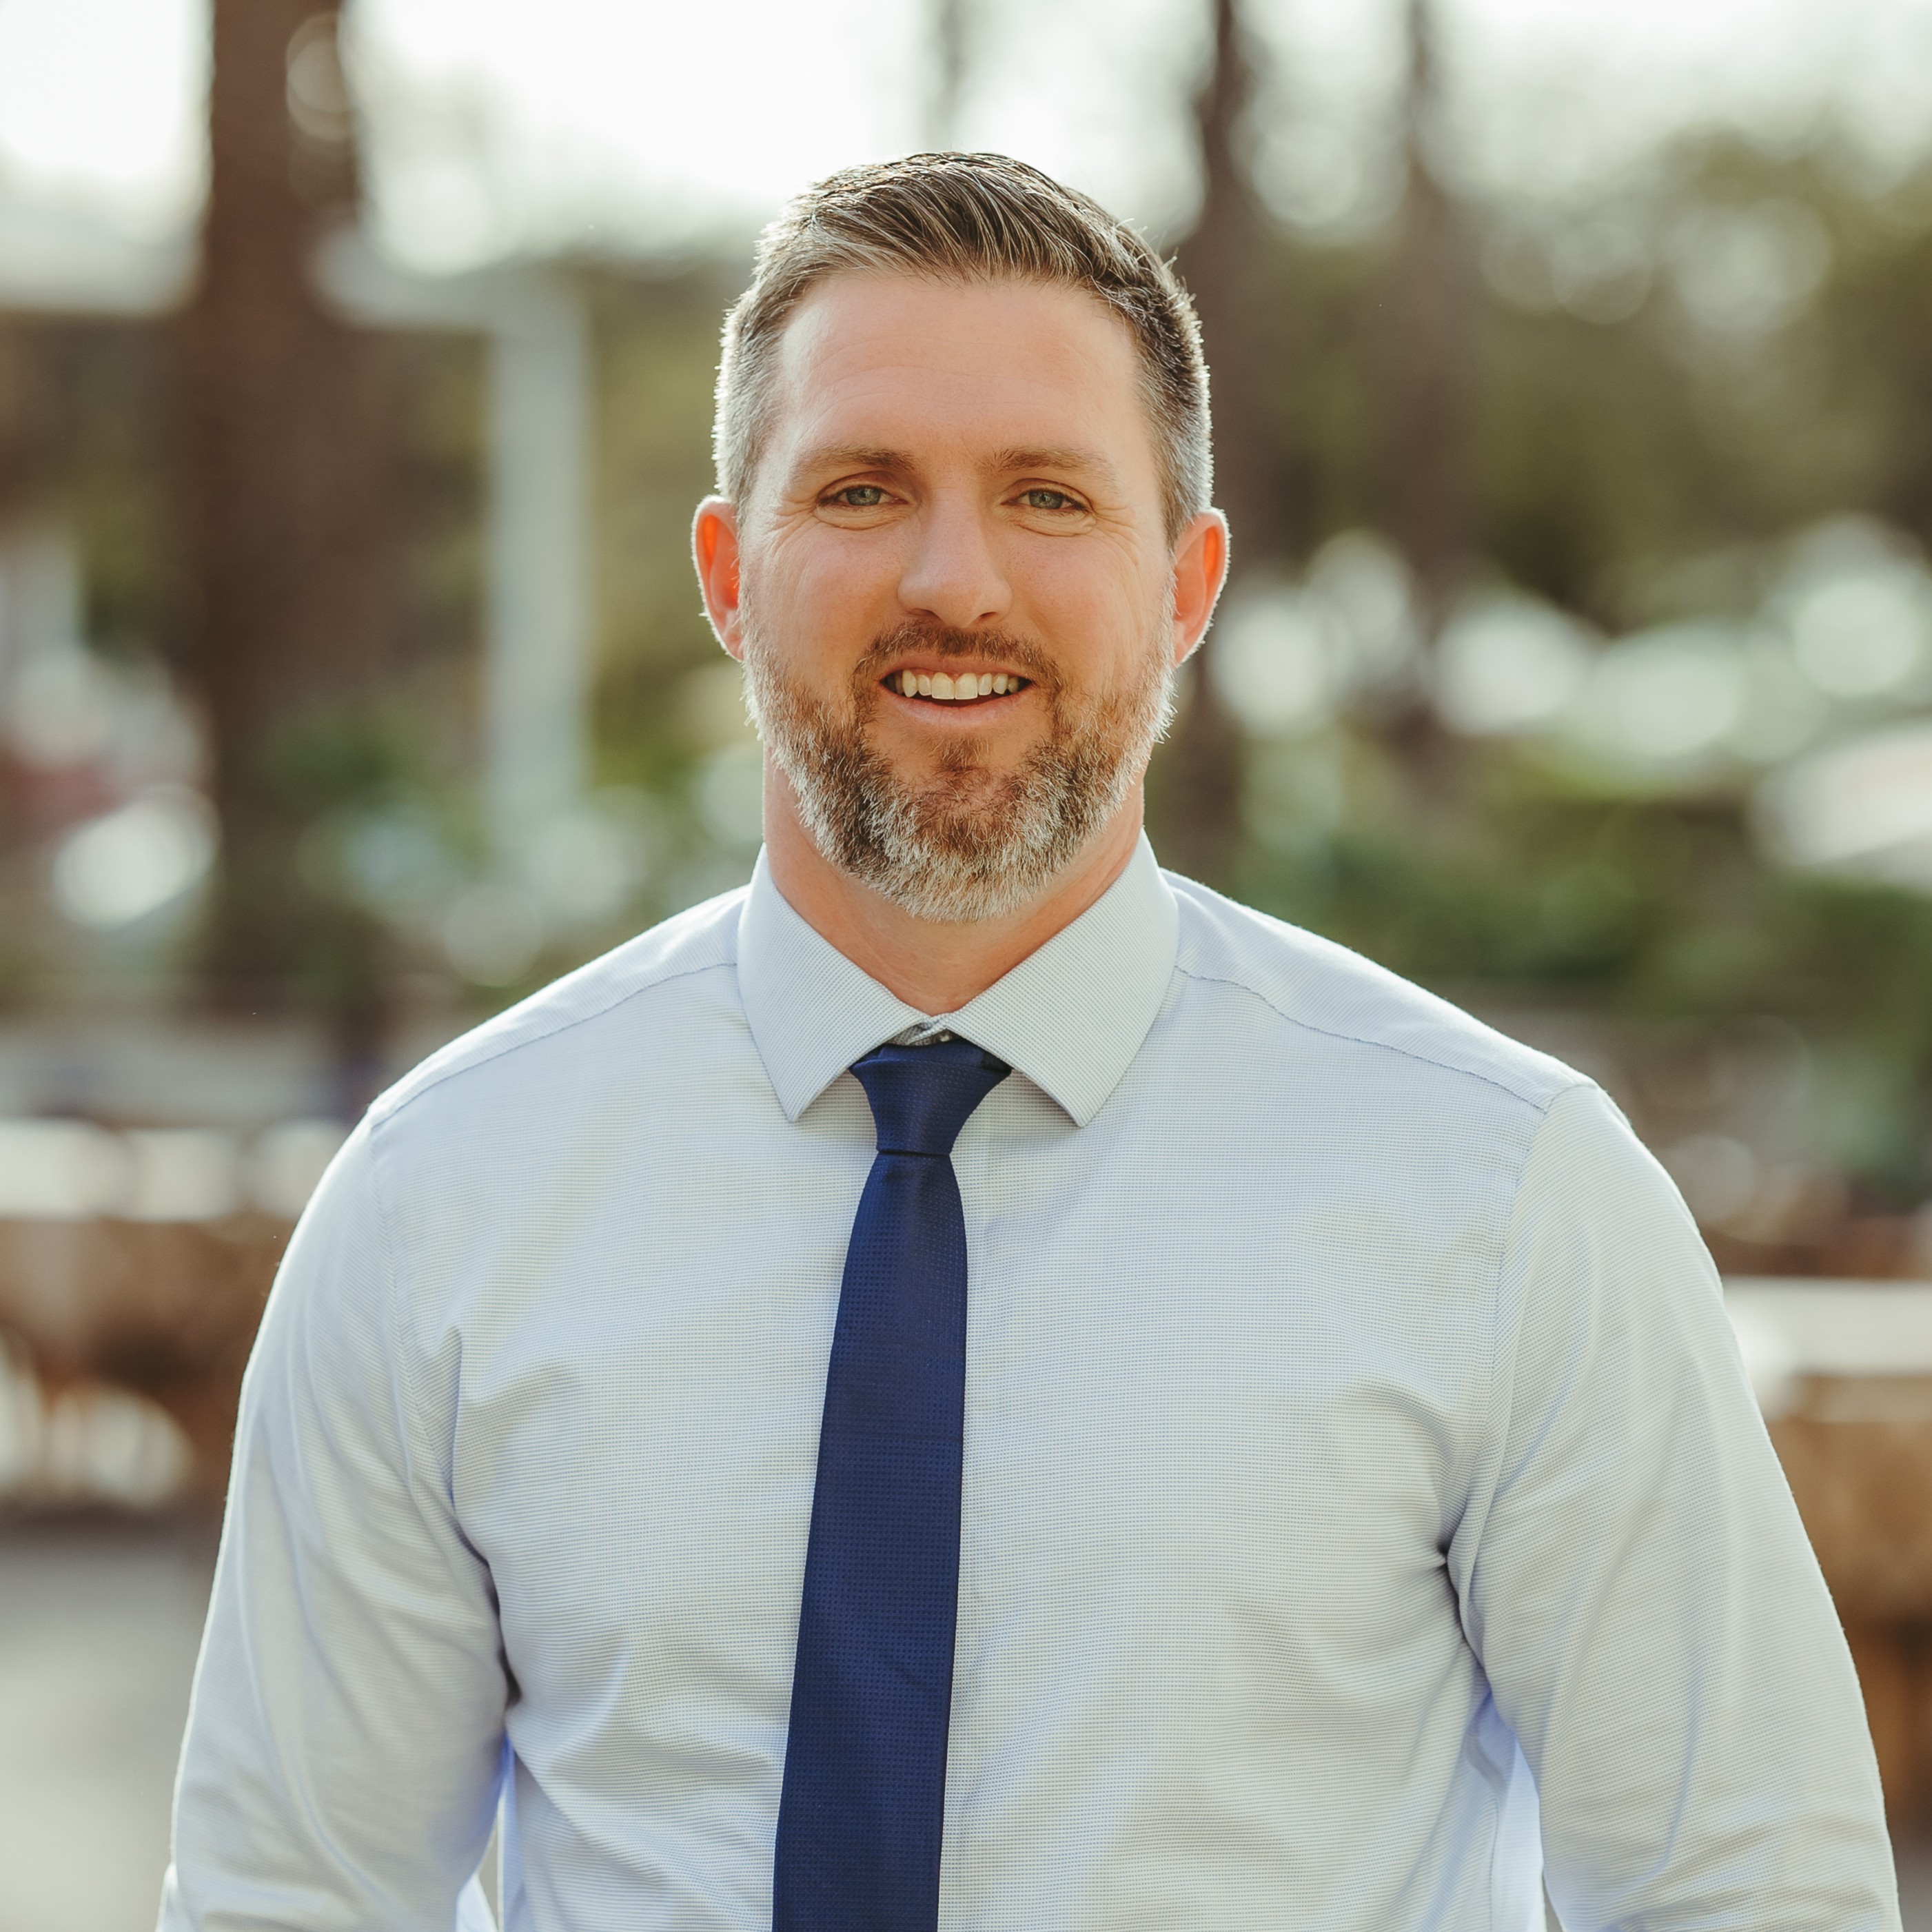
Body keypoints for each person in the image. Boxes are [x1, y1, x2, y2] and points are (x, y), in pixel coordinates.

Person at [160, 153, 1897, 1932]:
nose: (955, 580)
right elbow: (285, 1900)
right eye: (860, 490)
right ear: (728, 574)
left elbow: (1743, 1887)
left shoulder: (1506, 1191)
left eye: (1048, 497)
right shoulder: (442, 1195)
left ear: (1187, 585)